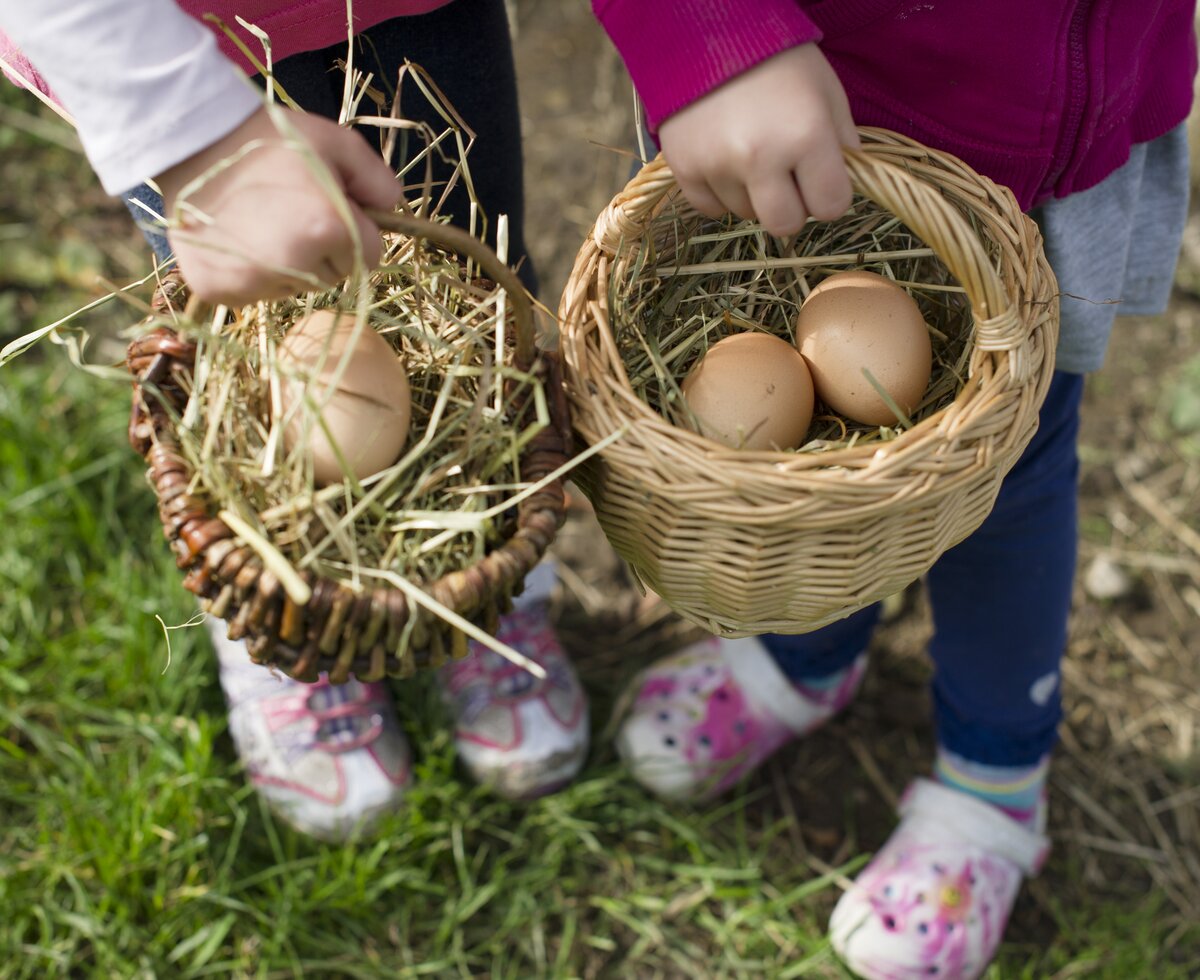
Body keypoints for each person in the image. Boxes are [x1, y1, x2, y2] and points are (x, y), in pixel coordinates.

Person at [588, 2, 1197, 978]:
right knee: (796, 482)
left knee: (1017, 469)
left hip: (1056, 153)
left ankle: (995, 782)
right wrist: (708, 30)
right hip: (795, 118)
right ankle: (803, 657)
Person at [0, 0, 589, 842]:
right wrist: (193, 138)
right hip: (169, 42)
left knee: (470, 279)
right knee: (238, 326)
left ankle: (490, 574)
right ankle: (277, 611)